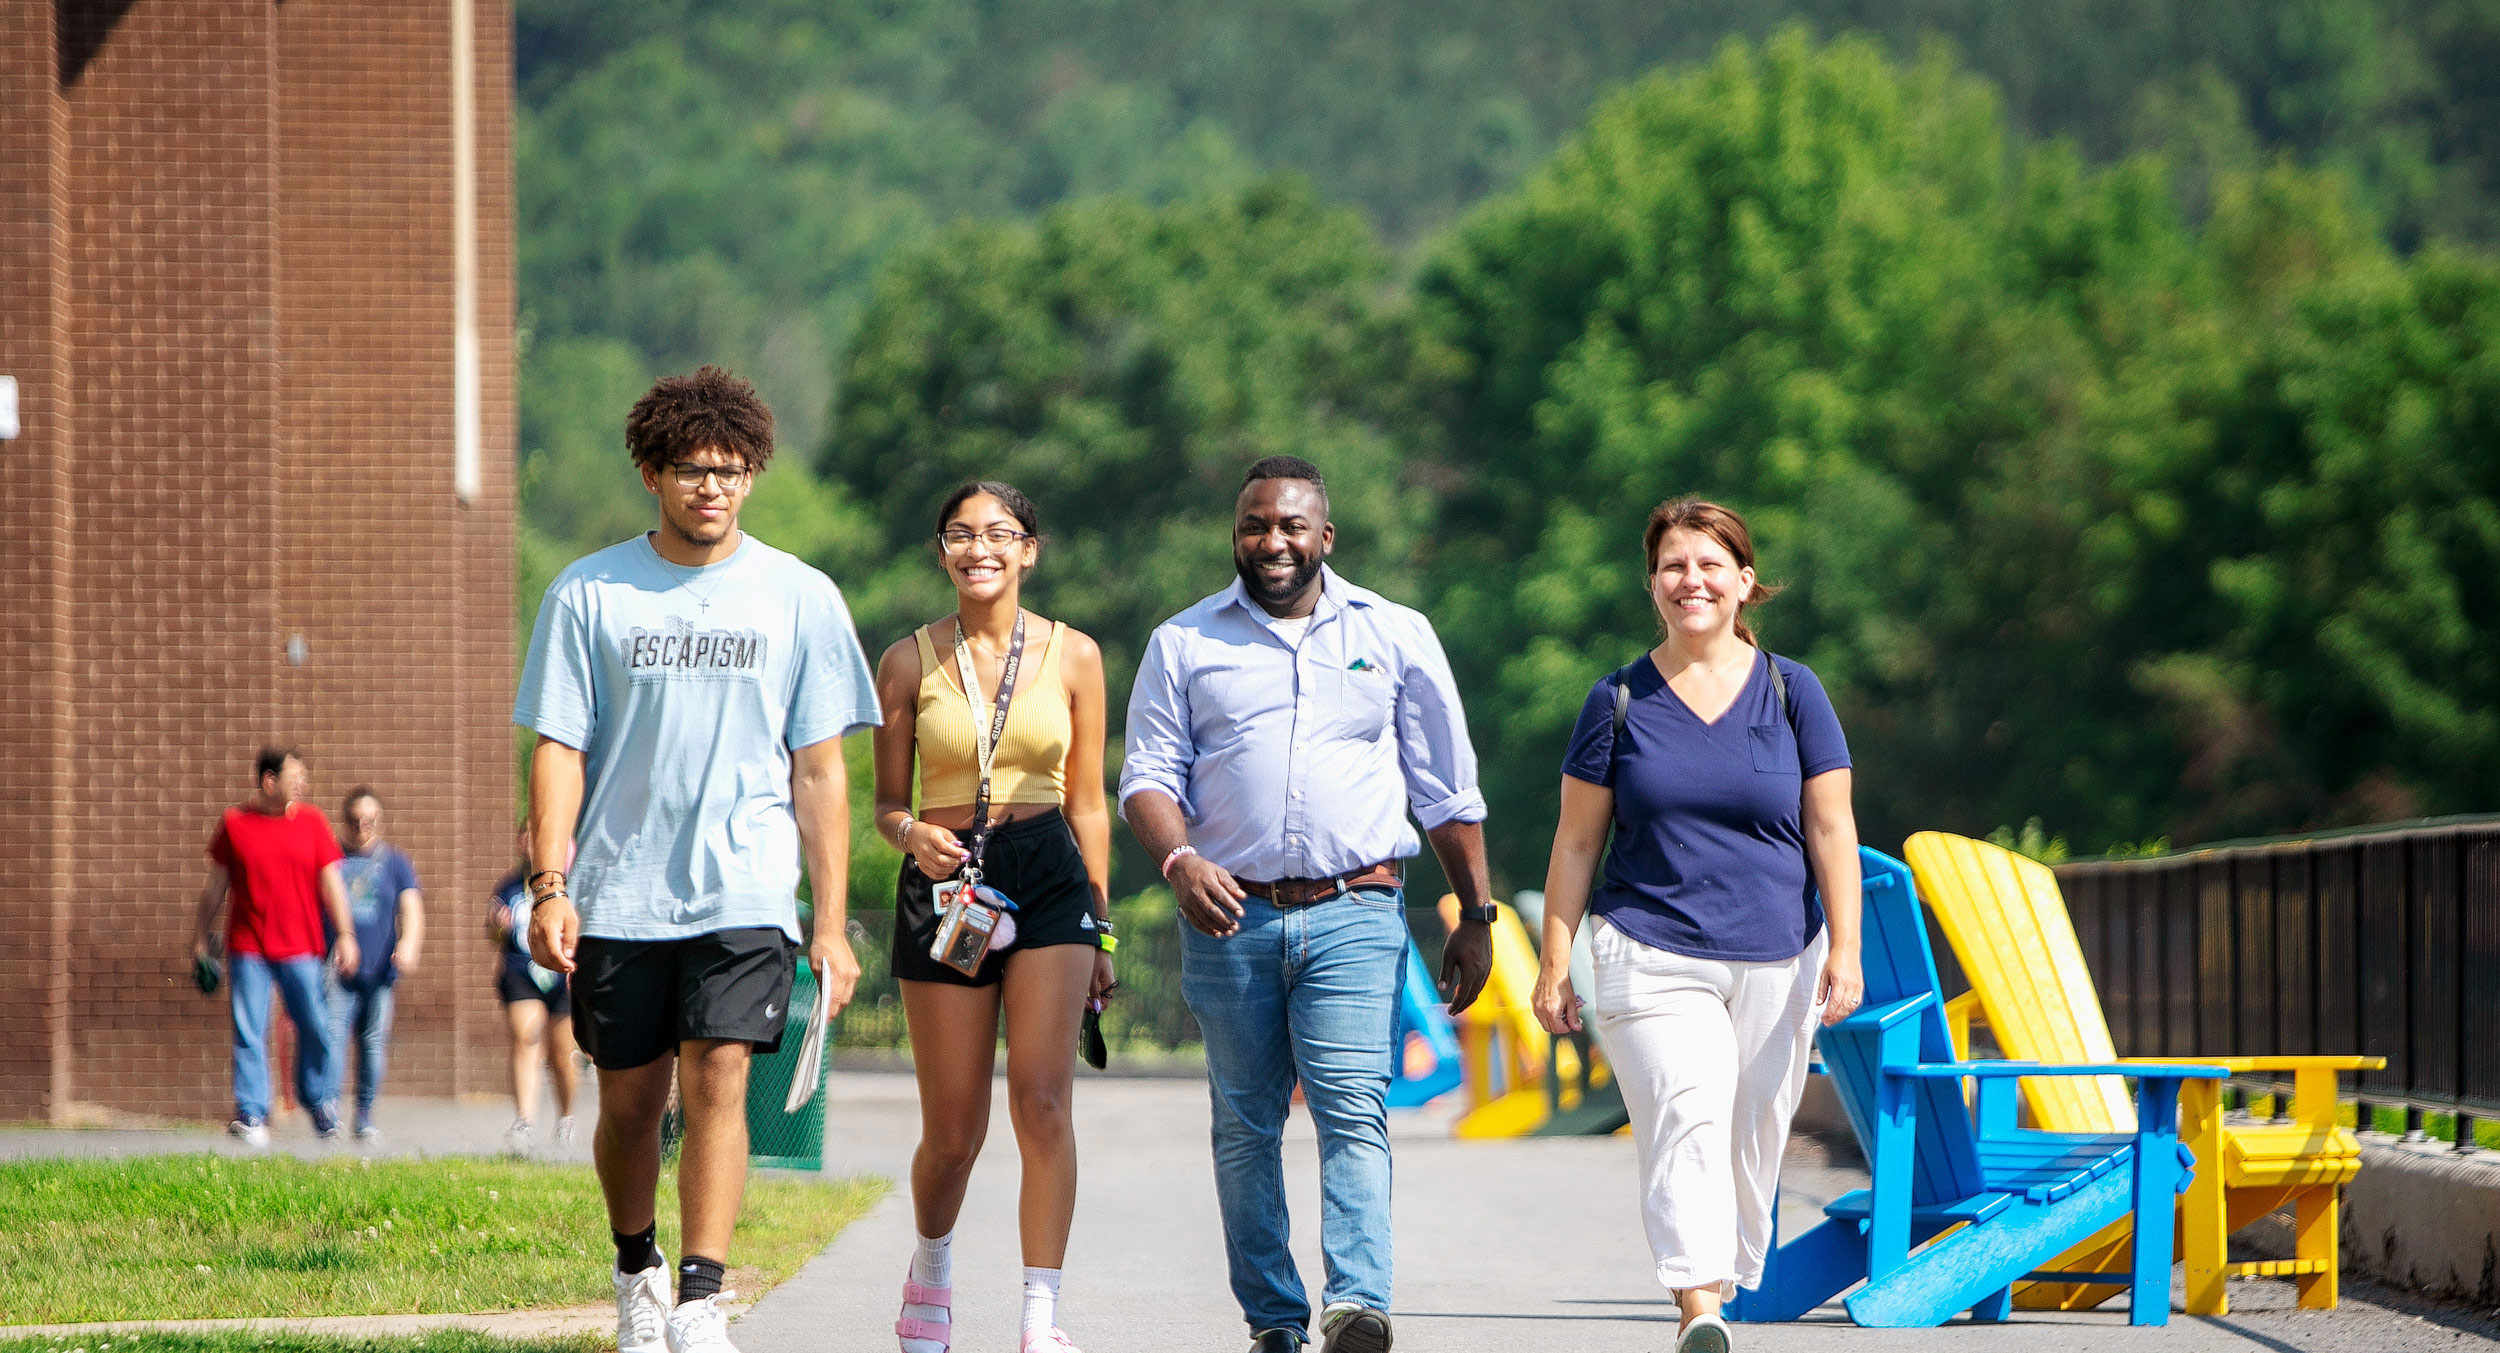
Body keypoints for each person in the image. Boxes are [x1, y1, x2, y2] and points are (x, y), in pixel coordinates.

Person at [514, 365, 880, 1353]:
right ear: (650, 473)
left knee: (720, 1078)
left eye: (730, 470)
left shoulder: (799, 596)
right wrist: (550, 886)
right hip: (618, 893)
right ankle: (637, 1268)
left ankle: (704, 1298)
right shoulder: (589, 592)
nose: (710, 487)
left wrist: (831, 923)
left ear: (753, 475)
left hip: (746, 884)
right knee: (632, 1102)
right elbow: (559, 746)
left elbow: (821, 773)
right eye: (689, 470)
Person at [1120, 455, 1496, 1353]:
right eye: (1256, 525)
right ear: (1236, 535)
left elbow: (1447, 788)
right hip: (1229, 916)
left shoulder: (1394, 632)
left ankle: (1357, 1304)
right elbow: (1146, 776)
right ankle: (1275, 1320)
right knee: (1245, 1123)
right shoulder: (1185, 642)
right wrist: (1177, 858)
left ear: (1327, 536)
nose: (1274, 541)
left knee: (1351, 1107)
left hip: (1356, 910)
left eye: (1292, 525)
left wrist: (1476, 914)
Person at [1529, 497, 1866, 1353]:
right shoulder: (1617, 699)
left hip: (1780, 953)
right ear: (1653, 586)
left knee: (1754, 1133)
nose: (1693, 581)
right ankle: (1698, 1307)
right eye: (1675, 566)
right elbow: (1575, 842)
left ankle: (1720, 1273)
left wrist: (1847, 948)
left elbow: (1832, 827)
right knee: (1688, 1111)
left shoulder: (1795, 691)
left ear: (1745, 582)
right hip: (1649, 946)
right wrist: (1555, 961)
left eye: (1711, 564)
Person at [871, 480, 1116, 1353]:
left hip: (1049, 873)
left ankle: (1040, 1315)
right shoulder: (907, 661)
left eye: (1000, 533)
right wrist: (911, 838)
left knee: (1044, 1101)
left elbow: (1089, 802)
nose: (981, 548)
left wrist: (1102, 925)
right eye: (960, 534)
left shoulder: (1075, 655)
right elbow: (886, 804)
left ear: (1030, 549)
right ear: (941, 551)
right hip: (946, 881)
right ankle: (931, 1266)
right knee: (954, 1131)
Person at [191, 747, 358, 1146]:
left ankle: (317, 1099)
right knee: (250, 1029)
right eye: (295, 775)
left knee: (316, 1026)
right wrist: (199, 934)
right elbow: (216, 885)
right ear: (269, 780)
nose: (303, 783)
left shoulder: (314, 823)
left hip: (303, 948)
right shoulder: (235, 824)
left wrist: (347, 934)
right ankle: (251, 1112)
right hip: (249, 947)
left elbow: (333, 883)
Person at [328, 787, 425, 1142]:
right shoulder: (331, 859)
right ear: (345, 820)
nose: (361, 826)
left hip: (380, 970)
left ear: (378, 821)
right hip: (336, 967)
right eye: (354, 820)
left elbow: (412, 907)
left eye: (368, 820)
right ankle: (330, 1113)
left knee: (372, 1043)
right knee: (333, 1037)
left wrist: (409, 944)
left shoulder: (395, 861)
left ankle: (364, 1114)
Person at [488, 824, 579, 1155]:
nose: (530, 844)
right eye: (525, 837)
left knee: (560, 1054)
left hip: (562, 975)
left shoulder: (569, 886)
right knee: (525, 1037)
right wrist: (497, 929)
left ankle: (566, 1115)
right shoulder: (509, 887)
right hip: (521, 971)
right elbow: (493, 934)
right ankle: (525, 1119)